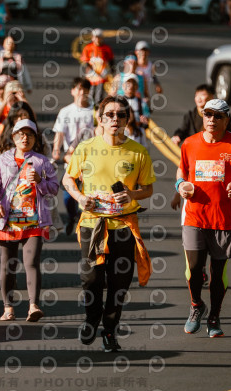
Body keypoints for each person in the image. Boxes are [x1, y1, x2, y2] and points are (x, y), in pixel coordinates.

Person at [63, 96, 155, 352]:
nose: (115, 119)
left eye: (121, 115)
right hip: (93, 223)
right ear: (100, 119)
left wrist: (131, 194)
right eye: (110, 115)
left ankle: (110, 330)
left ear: (127, 120)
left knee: (119, 282)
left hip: (124, 225)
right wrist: (80, 197)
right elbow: (68, 179)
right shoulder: (86, 148)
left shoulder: (138, 152)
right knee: (91, 278)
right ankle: (92, 319)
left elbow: (148, 188)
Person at [176, 99, 231, 338]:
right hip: (193, 216)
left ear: (226, 120)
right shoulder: (189, 143)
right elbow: (182, 170)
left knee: (217, 273)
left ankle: (214, 317)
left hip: (222, 218)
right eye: (208, 114)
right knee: (194, 268)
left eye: (218, 116)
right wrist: (180, 185)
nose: (212, 119)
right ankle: (196, 305)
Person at [0, 119, 59, 322]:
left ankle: (33, 306)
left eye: (29, 135)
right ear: (13, 137)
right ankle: (8, 308)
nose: (25, 138)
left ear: (35, 138)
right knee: (7, 266)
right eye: (21, 134)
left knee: (32, 263)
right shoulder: (2, 160)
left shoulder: (42, 161)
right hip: (8, 222)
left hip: (34, 222)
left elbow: (54, 188)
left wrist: (40, 181)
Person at [51, 77, 95, 235]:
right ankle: (72, 215)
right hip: (71, 156)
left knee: (88, 191)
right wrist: (56, 149)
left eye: (85, 89)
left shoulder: (94, 112)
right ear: (73, 91)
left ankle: (86, 221)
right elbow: (59, 132)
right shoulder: (66, 111)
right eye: (79, 89)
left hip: (91, 158)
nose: (82, 92)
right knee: (68, 193)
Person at [80, 28, 114, 107]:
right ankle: (89, 108)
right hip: (91, 75)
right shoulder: (88, 48)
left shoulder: (106, 48)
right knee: (91, 92)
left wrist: (111, 71)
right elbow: (85, 62)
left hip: (102, 75)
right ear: (92, 38)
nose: (97, 39)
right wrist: (92, 71)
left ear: (102, 38)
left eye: (99, 37)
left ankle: (98, 108)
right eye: (95, 37)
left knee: (99, 94)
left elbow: (111, 60)